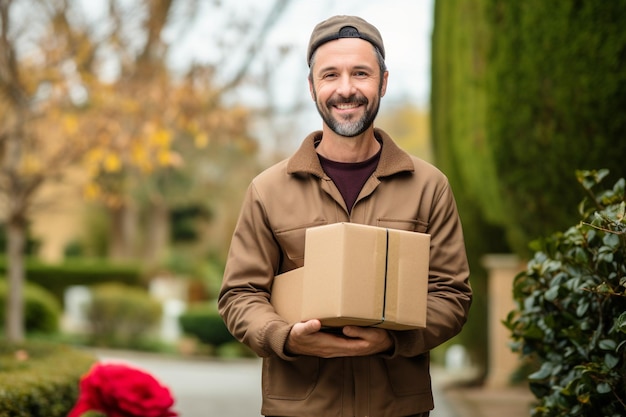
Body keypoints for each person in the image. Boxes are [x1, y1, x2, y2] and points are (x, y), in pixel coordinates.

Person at [218, 15, 472, 417]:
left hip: (398, 410)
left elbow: (451, 296)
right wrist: (286, 337)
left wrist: (390, 340)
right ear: (312, 86)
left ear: (383, 83)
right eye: (330, 74)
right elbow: (239, 295)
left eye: (361, 73)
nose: (346, 88)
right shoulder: (268, 190)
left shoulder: (428, 186)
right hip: (299, 410)